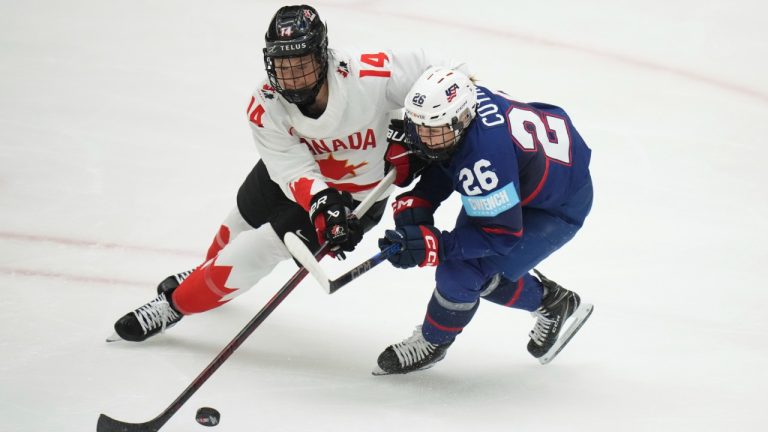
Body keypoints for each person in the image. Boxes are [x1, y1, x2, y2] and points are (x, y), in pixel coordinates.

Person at [109, 5, 463, 342]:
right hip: (296, 179)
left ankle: (173, 306)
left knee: (257, 251)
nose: (293, 76)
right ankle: (202, 274)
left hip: (356, 199)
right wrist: (321, 202)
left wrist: (418, 135)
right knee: (240, 220)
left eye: (302, 63)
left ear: (323, 55)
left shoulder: (368, 76)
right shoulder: (265, 103)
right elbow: (291, 168)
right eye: (283, 64)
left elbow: (450, 76)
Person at [374, 67, 594, 375]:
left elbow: (499, 234)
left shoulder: (485, 159)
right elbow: (452, 156)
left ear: (462, 118)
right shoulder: (463, 110)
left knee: (464, 272)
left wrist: (434, 245)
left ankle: (433, 342)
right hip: (525, 178)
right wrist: (421, 201)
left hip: (555, 206)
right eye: (419, 128)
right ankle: (554, 301)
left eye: (433, 130)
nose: (424, 139)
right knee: (443, 238)